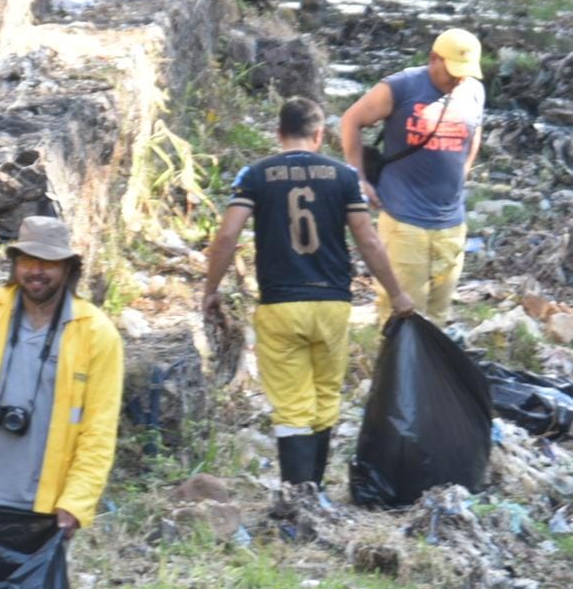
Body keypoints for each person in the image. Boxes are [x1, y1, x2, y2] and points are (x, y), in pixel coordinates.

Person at [203, 97, 415, 487]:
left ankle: (297, 494)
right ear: (319, 135)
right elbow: (368, 240)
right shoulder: (345, 177)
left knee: (291, 404)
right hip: (332, 304)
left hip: (280, 305)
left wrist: (211, 289)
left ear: (278, 133)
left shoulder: (255, 175)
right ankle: (314, 492)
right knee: (326, 395)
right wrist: (397, 294)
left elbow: (228, 235)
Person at [0, 215, 123, 536]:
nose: (36, 270)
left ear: (68, 268)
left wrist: (77, 501)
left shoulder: (96, 334)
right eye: (28, 260)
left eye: (48, 262)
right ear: (14, 264)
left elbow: (99, 428)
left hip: (42, 510)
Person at [340, 28, 486, 324]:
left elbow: (475, 132)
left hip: (451, 223)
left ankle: (429, 357)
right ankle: (393, 357)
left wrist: (462, 172)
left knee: (438, 315)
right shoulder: (401, 87)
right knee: (403, 315)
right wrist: (359, 178)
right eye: (452, 72)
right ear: (433, 58)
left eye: (464, 73)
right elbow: (351, 120)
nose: (458, 80)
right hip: (404, 221)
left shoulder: (473, 90)